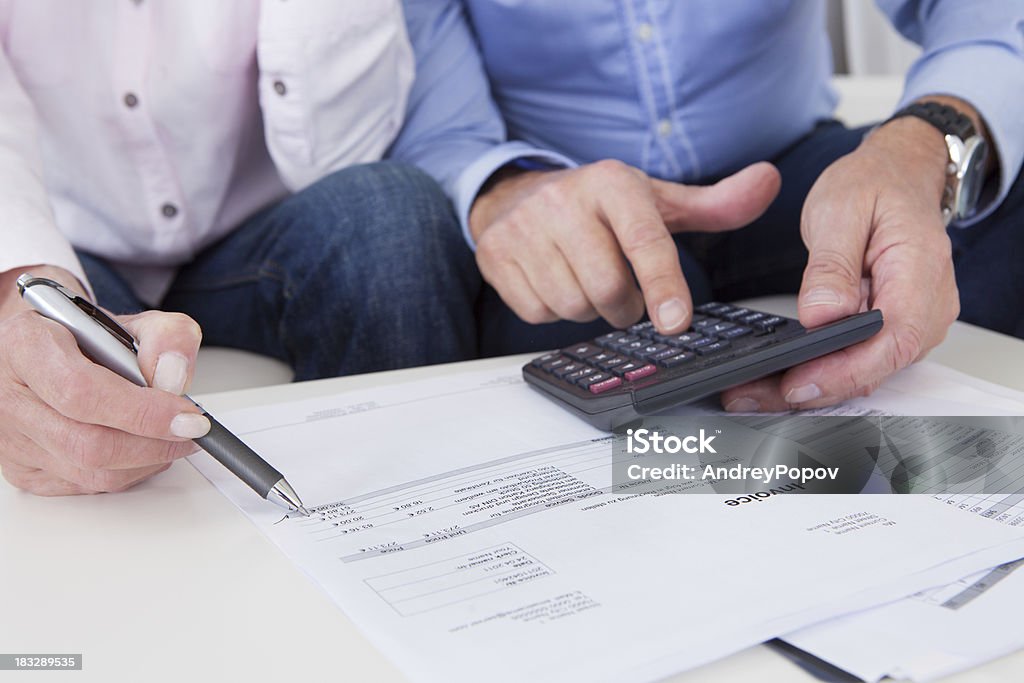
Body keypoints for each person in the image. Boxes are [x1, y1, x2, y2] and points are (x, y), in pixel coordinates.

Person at [394, 1, 1024, 413]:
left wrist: (921, 146)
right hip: (573, 203)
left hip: (787, 174)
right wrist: (508, 194)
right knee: (582, 327)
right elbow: (443, 130)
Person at [0, 2, 479, 496]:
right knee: (50, 363)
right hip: (71, 248)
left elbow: (339, 154)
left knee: (388, 206)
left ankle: (403, 507)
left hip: (254, 243)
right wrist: (22, 297)